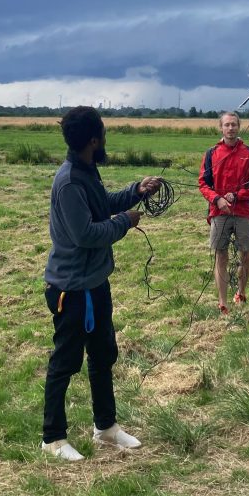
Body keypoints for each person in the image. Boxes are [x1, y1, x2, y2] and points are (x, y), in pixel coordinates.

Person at [41, 105, 161, 461]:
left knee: (103, 355)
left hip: (95, 283)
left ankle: (105, 427)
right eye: (103, 134)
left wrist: (136, 191)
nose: (105, 140)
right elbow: (87, 234)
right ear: (94, 139)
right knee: (65, 362)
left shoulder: (86, 171)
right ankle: (52, 439)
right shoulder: (68, 182)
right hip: (70, 289)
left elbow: (102, 203)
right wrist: (125, 220)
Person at [198, 112, 249, 314]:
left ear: (239, 127)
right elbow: (203, 183)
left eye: (234, 124)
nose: (231, 128)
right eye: (227, 125)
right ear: (221, 128)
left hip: (243, 211)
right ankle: (223, 302)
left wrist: (238, 196)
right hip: (218, 213)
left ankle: (241, 292)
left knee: (246, 253)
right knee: (221, 255)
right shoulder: (211, 153)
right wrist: (217, 199)